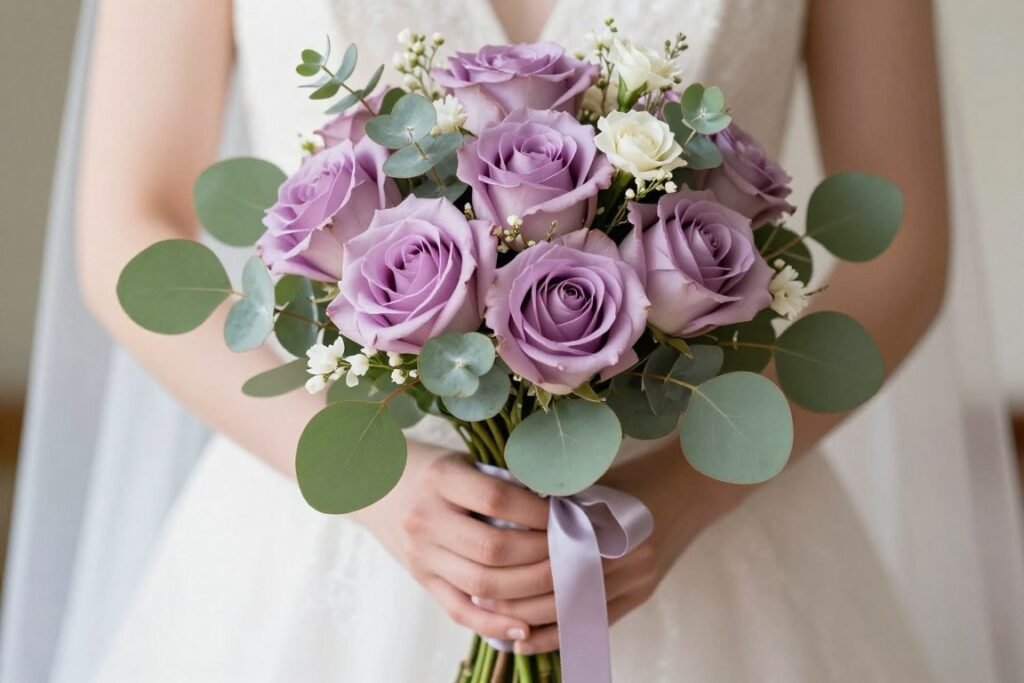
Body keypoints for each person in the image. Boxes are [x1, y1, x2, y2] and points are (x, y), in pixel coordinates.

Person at [6, 0, 1023, 681]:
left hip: (705, 520)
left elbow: (902, 252)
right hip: (323, 517)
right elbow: (128, 226)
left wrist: (673, 502)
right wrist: (374, 487)